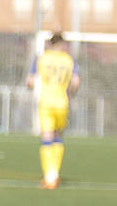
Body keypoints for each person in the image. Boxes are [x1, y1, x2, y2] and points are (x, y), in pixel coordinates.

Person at [27, 32, 79, 189]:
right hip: (62, 102)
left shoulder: (42, 58)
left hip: (46, 103)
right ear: (63, 45)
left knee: (47, 138)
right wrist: (70, 94)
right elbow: (76, 81)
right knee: (58, 137)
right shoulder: (69, 60)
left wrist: (31, 86)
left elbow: (29, 81)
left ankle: (49, 176)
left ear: (50, 43)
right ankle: (55, 174)